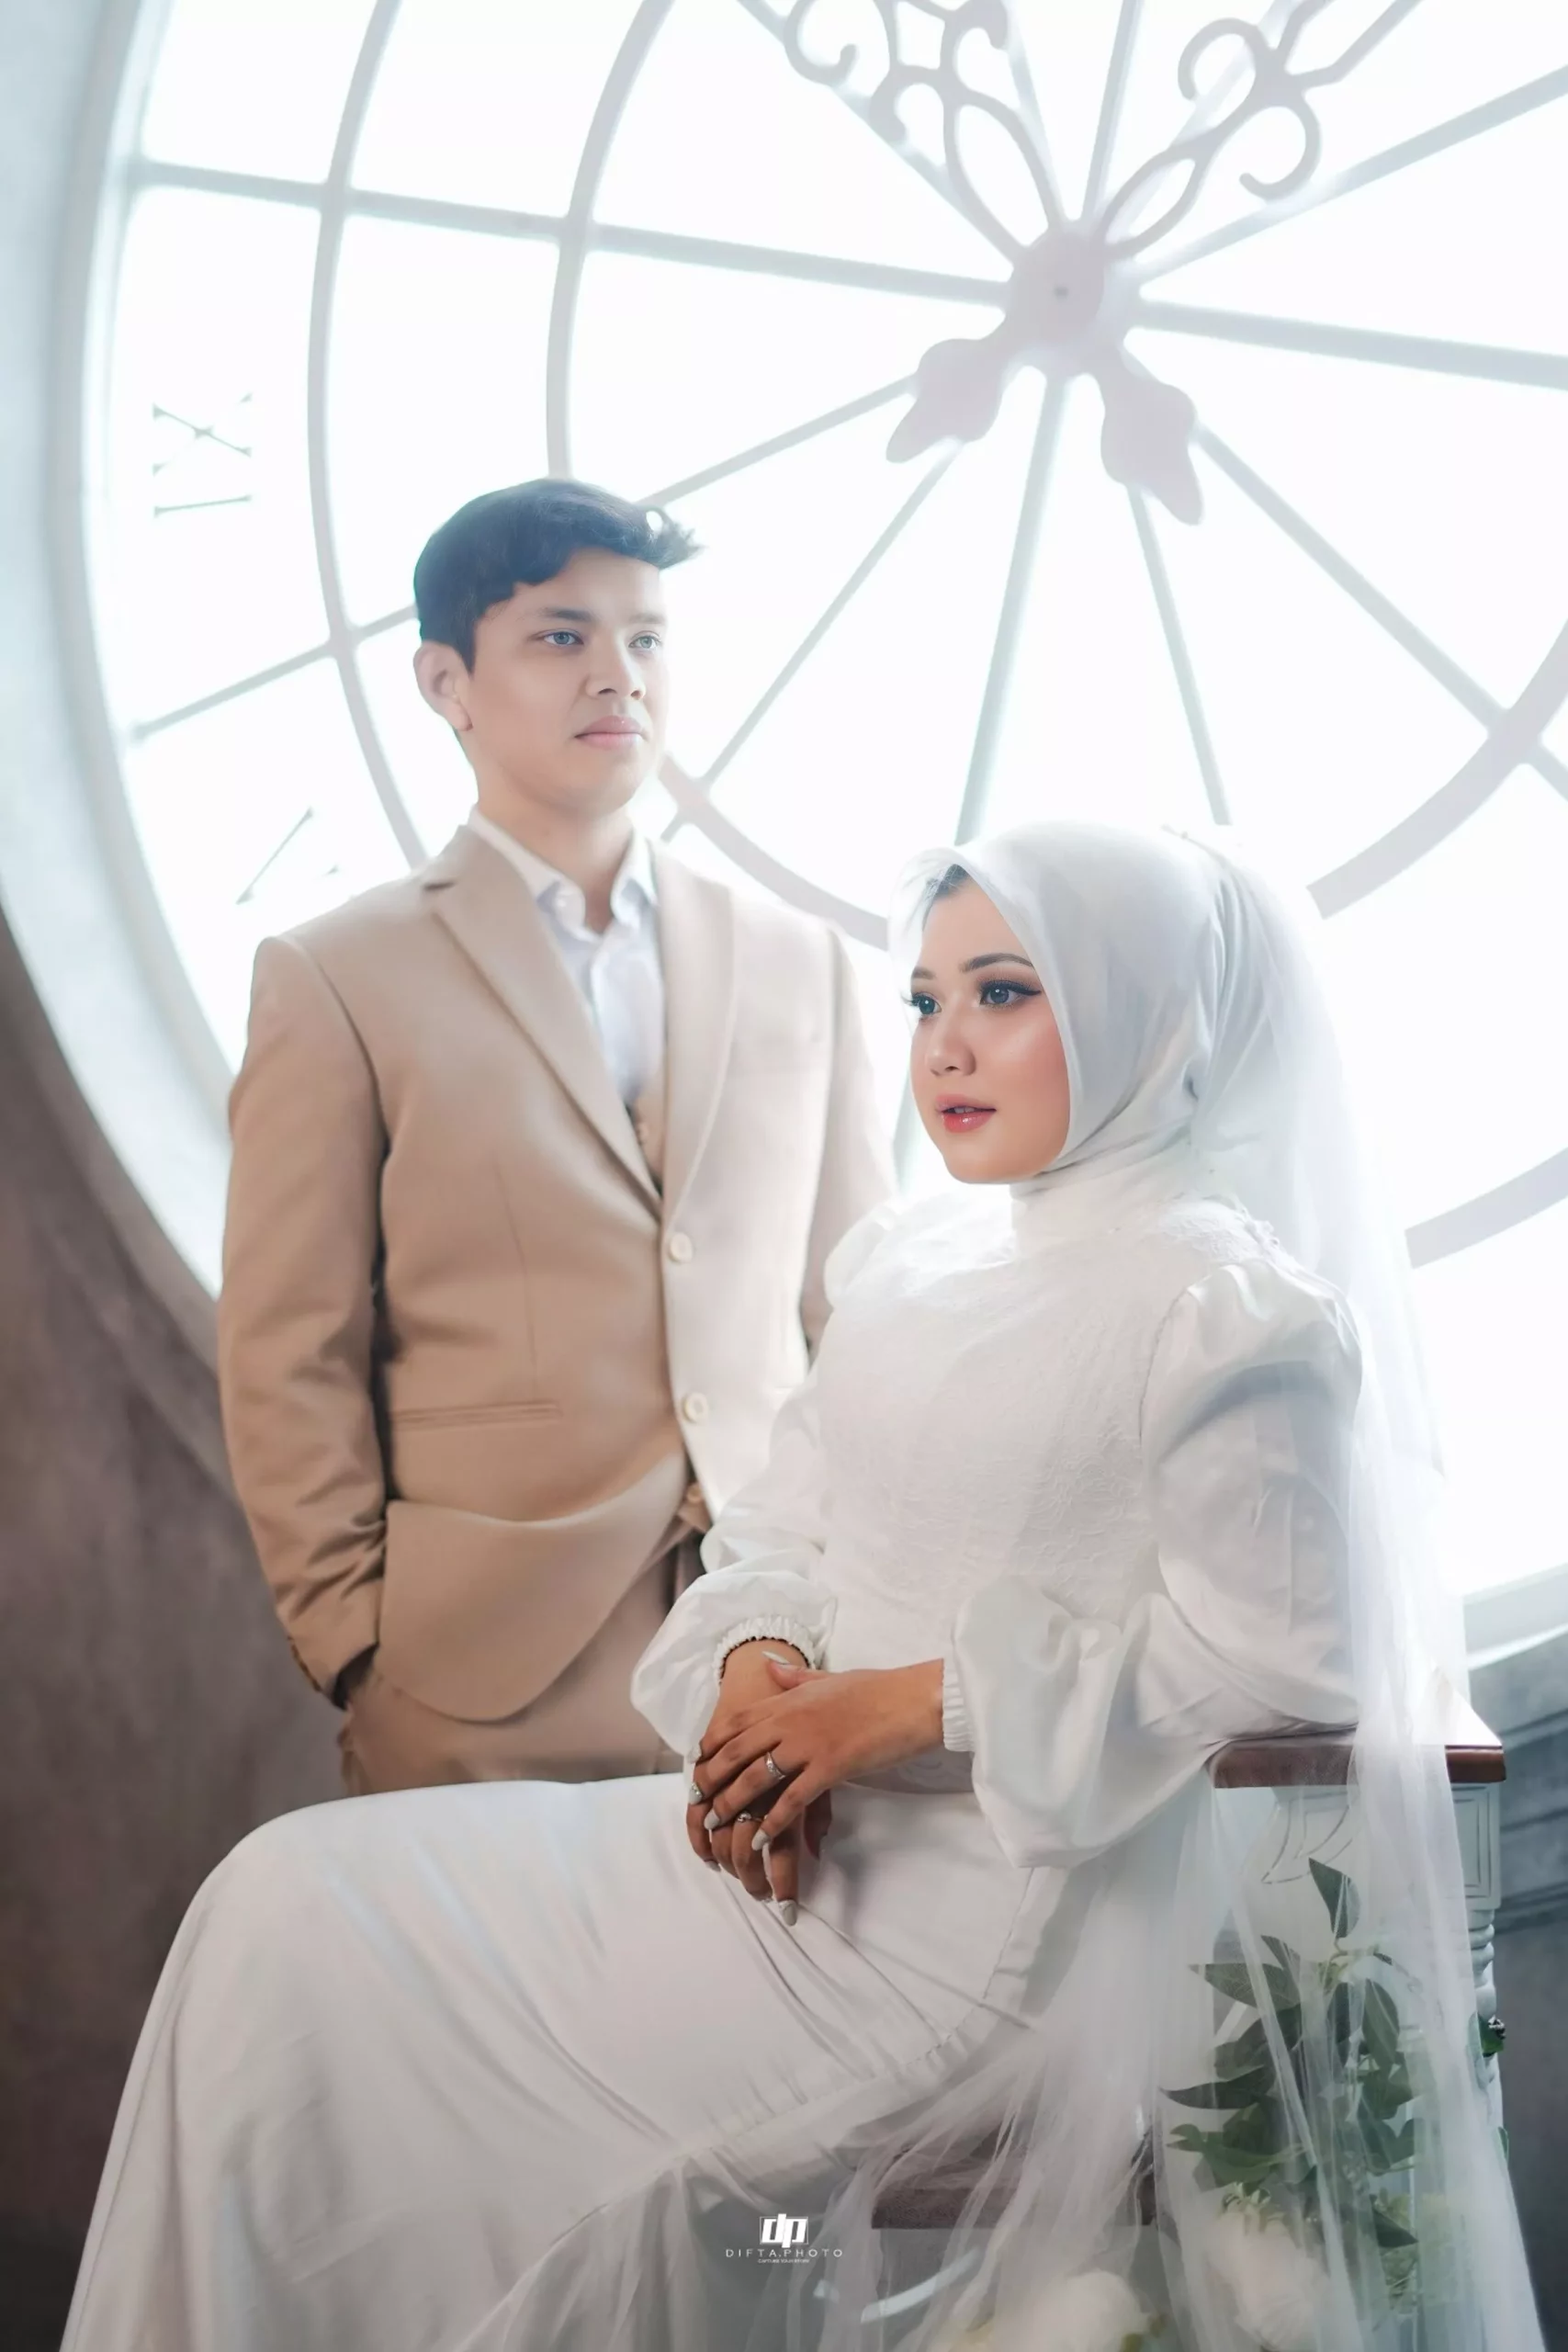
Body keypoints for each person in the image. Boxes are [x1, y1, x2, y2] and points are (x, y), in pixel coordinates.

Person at [63, 820, 1540, 2350]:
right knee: (275, 1906)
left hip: (982, 1944)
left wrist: (899, 1712)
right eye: (924, 1001)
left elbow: (1282, 1662)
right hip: (791, 1866)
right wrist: (756, 1681)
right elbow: (779, 1528)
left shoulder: (1225, 1310)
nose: (944, 1045)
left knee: (331, 1975)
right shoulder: (916, 1263)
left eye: (1004, 992)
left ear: (1140, 1007)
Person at [216, 477, 892, 1792]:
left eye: (645, 638)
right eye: (561, 636)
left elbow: (858, 1309)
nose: (616, 674)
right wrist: (354, 1643)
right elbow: (287, 1344)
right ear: (445, 682)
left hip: (779, 1652)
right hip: (480, 1672)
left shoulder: (795, 959)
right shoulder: (336, 974)